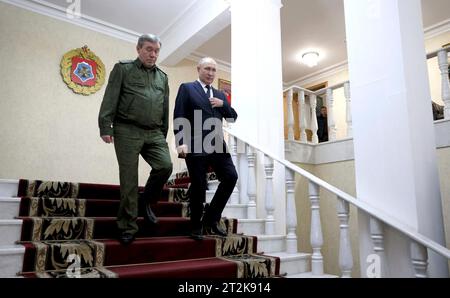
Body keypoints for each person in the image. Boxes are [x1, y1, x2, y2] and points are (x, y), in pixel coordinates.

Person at [98, 34, 173, 245]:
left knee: (165, 166)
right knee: (129, 179)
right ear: (139, 49)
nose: (153, 54)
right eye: (149, 49)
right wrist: (106, 125)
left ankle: (145, 201)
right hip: (126, 129)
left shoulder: (162, 77)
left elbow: (164, 108)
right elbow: (110, 98)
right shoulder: (123, 69)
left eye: (156, 50)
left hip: (154, 132)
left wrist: (163, 133)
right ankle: (127, 226)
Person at [173, 57, 238, 240]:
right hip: (194, 144)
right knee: (199, 184)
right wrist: (180, 143)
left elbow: (232, 118)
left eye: (213, 70)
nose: (210, 73)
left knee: (231, 177)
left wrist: (223, 104)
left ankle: (211, 218)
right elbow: (179, 115)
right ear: (199, 69)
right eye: (207, 69)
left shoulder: (220, 94)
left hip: (217, 144)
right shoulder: (187, 88)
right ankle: (195, 225)